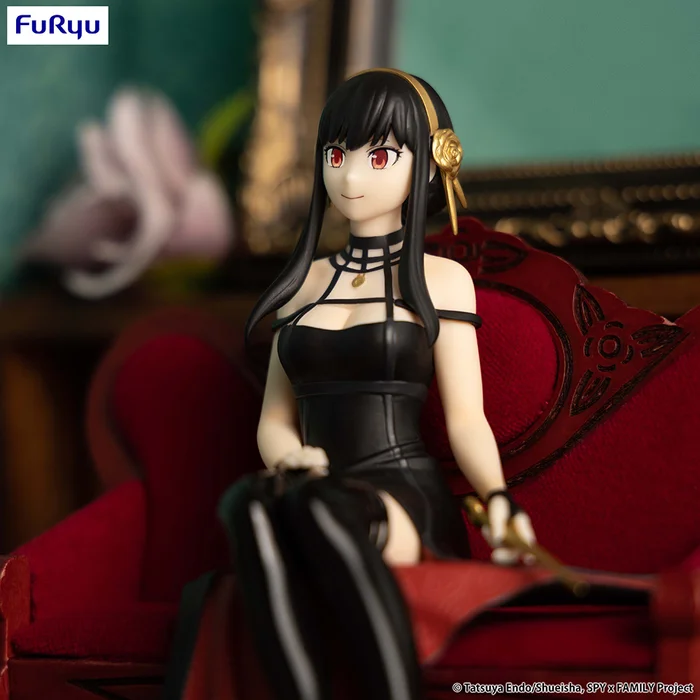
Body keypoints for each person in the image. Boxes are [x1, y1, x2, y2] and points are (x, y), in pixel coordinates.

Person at [165, 68, 537, 700]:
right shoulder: (303, 285)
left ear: (431, 165)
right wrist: (292, 461)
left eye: (379, 155)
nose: (350, 176)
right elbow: (275, 421)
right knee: (247, 504)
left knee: (319, 508)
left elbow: (466, 419)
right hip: (314, 484)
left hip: (399, 494)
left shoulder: (441, 280)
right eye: (337, 156)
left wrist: (500, 499)